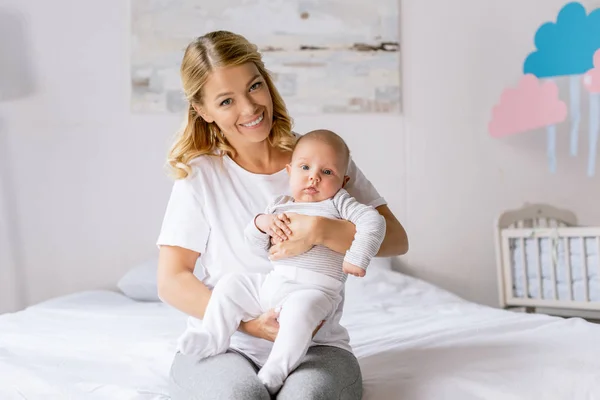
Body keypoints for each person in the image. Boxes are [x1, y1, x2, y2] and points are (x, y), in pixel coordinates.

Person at [156, 30, 409, 400]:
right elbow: (171, 279)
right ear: (202, 110)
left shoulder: (318, 158)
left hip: (316, 344)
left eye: (254, 86)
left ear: (267, 80)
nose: (250, 108)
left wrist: (321, 231)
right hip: (228, 342)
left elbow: (397, 241)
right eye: (226, 101)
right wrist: (250, 326)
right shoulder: (200, 177)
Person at [176, 129, 386, 395]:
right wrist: (261, 223)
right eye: (305, 167)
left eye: (327, 172)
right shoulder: (280, 206)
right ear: (289, 172)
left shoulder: (339, 203)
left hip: (315, 292)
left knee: (300, 311)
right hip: (274, 286)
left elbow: (374, 221)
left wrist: (358, 256)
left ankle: (277, 369)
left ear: (344, 181)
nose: (314, 177)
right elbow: (256, 245)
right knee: (232, 284)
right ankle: (213, 337)